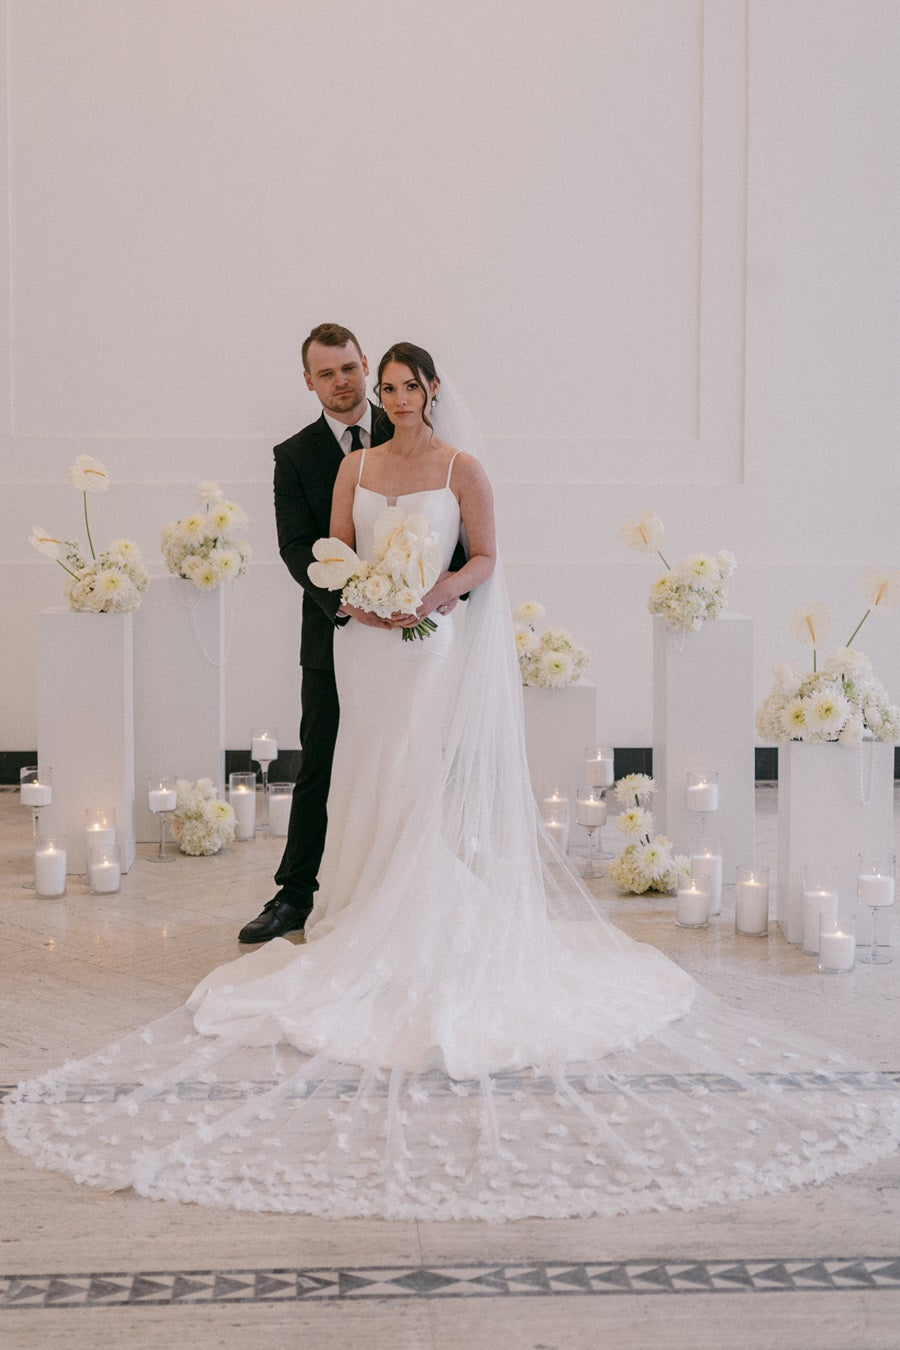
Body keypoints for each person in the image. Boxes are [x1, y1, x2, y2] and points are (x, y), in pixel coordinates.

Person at [4, 344, 900, 1221]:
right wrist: (360, 595)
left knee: (418, 770)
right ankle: (354, 903)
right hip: (367, 648)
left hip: (430, 648)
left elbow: (483, 560)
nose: (393, 397)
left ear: (431, 388)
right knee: (363, 765)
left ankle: (419, 901)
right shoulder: (354, 470)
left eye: (404, 384)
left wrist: (433, 596)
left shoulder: (464, 467)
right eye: (382, 386)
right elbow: (335, 552)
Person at [236, 323, 397, 943]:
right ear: (309, 381)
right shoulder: (294, 455)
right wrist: (355, 604)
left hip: (416, 635)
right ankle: (296, 894)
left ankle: (406, 883)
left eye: (350, 368)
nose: (341, 382)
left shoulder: (409, 427)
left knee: (412, 757)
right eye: (326, 373)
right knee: (320, 763)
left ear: (366, 366)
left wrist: (419, 599)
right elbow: (296, 547)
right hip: (334, 635)